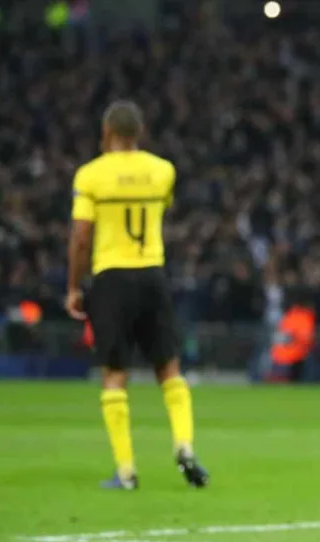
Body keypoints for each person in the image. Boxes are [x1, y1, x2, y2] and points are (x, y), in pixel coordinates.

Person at [65, 100, 209, 491]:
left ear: (106, 133)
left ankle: (126, 471)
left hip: (112, 277)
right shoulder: (163, 171)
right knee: (169, 369)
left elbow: (81, 236)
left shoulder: (91, 175)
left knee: (115, 375)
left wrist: (74, 287)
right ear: (139, 133)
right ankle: (184, 445)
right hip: (152, 275)